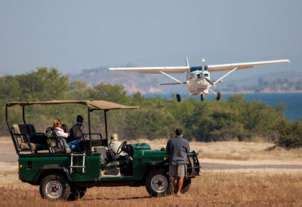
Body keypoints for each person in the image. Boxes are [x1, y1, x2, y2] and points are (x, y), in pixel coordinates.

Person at [166, 128, 190, 196]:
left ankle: (173, 192)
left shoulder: (170, 141)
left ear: (175, 133)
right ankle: (178, 192)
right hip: (182, 162)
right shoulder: (185, 141)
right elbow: (188, 151)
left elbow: (167, 151)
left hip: (172, 161)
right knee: (181, 177)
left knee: (172, 177)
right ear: (182, 134)